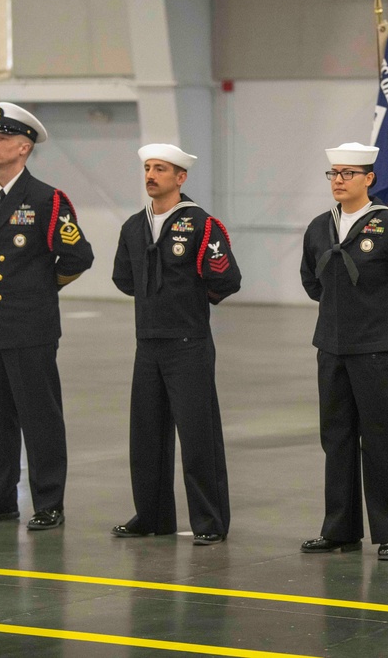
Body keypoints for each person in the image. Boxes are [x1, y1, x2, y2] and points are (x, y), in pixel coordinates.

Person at [0, 102, 94, 530]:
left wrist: (42, 286)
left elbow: (78, 255)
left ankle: (49, 502)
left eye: (1, 139)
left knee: (40, 417)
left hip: (30, 325)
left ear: (24, 147)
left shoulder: (46, 199)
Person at [300, 143, 388, 561]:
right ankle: (340, 530)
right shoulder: (318, 227)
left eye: (348, 173)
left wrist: (382, 306)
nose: (339, 181)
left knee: (381, 440)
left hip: (378, 349)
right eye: (334, 174)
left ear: (369, 179)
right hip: (332, 347)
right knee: (337, 439)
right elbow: (312, 281)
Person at [111, 143, 241, 545]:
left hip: (188, 343)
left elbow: (226, 278)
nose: (151, 175)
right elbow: (123, 277)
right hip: (147, 343)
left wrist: (185, 302)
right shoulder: (134, 226)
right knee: (146, 436)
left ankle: (210, 521)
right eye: (148, 168)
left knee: (198, 435)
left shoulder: (201, 224)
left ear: (180, 178)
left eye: (160, 169)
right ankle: (152, 516)